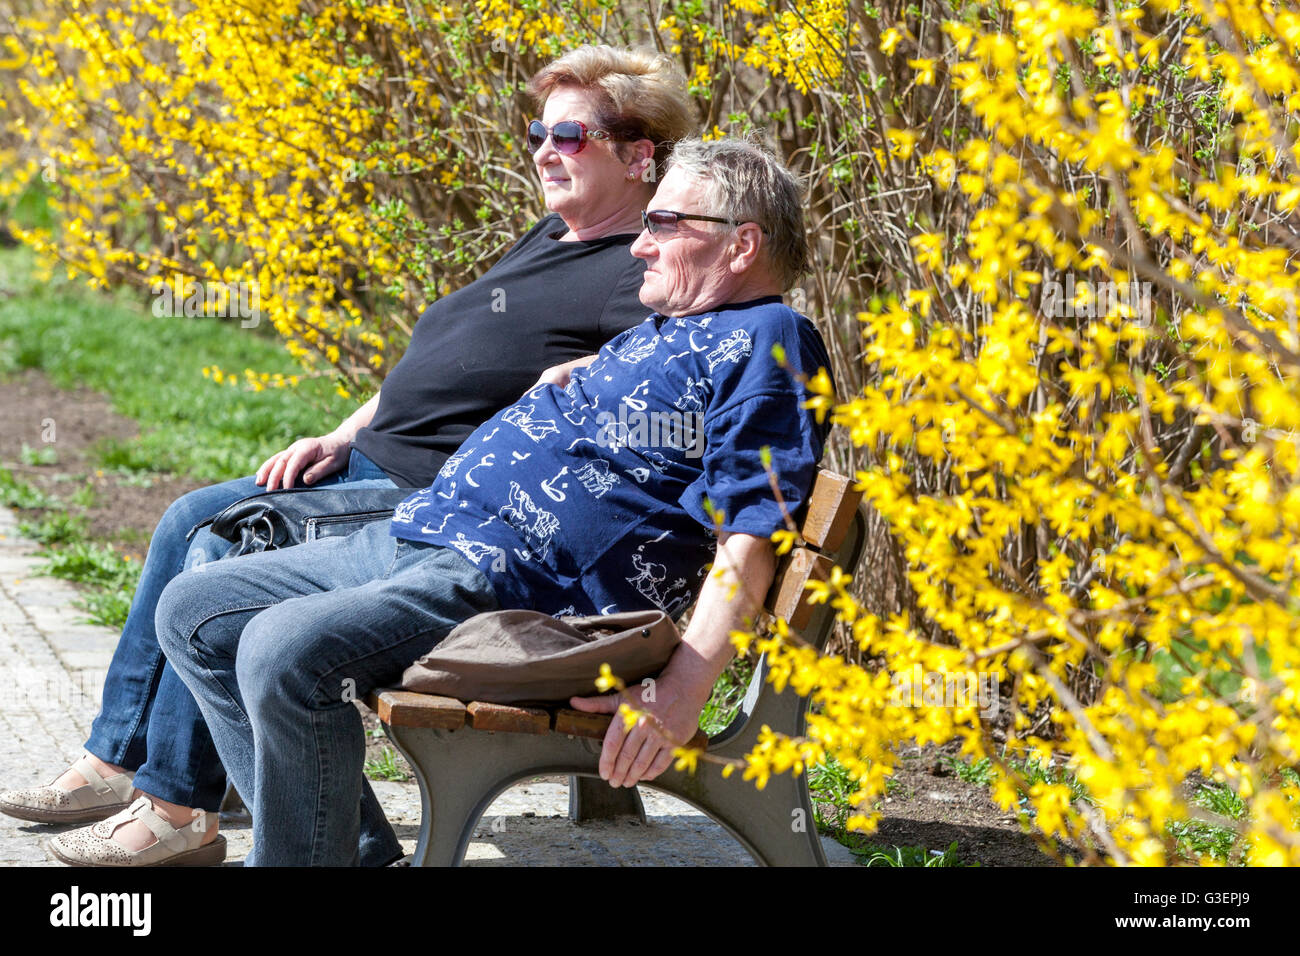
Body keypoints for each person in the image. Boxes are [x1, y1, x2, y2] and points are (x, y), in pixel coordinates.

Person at [1, 44, 695, 867]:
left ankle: (177, 805)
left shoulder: (636, 273)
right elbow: (441, 358)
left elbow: (636, 405)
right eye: (539, 131)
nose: (545, 149)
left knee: (221, 538)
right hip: (371, 458)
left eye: (571, 135)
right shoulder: (554, 235)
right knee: (189, 513)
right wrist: (340, 432)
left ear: (639, 152)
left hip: (431, 496)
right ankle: (121, 762)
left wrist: (575, 386)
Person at [153, 136, 832, 865]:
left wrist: (680, 693)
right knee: (192, 609)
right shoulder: (672, 328)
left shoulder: (772, 338)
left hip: (523, 593)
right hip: (432, 536)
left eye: (664, 224)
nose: (639, 245)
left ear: (741, 245)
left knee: (279, 649)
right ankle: (349, 853)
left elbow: (752, 531)